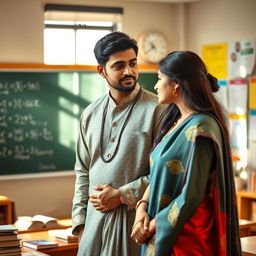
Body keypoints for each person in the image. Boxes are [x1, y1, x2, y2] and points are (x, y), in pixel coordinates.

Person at [131, 51, 241, 256]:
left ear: (176, 84)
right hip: (156, 226)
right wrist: (141, 209)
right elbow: (156, 175)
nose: (155, 86)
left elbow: (192, 195)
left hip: (185, 241)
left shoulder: (201, 128)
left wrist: (150, 227)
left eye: (159, 78)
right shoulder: (174, 121)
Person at [71, 31, 165, 256]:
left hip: (135, 226)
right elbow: (82, 171)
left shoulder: (159, 110)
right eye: (119, 66)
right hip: (92, 230)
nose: (129, 71)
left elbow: (166, 175)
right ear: (101, 71)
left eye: (133, 63)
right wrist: (80, 224)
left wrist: (122, 195)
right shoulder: (90, 114)